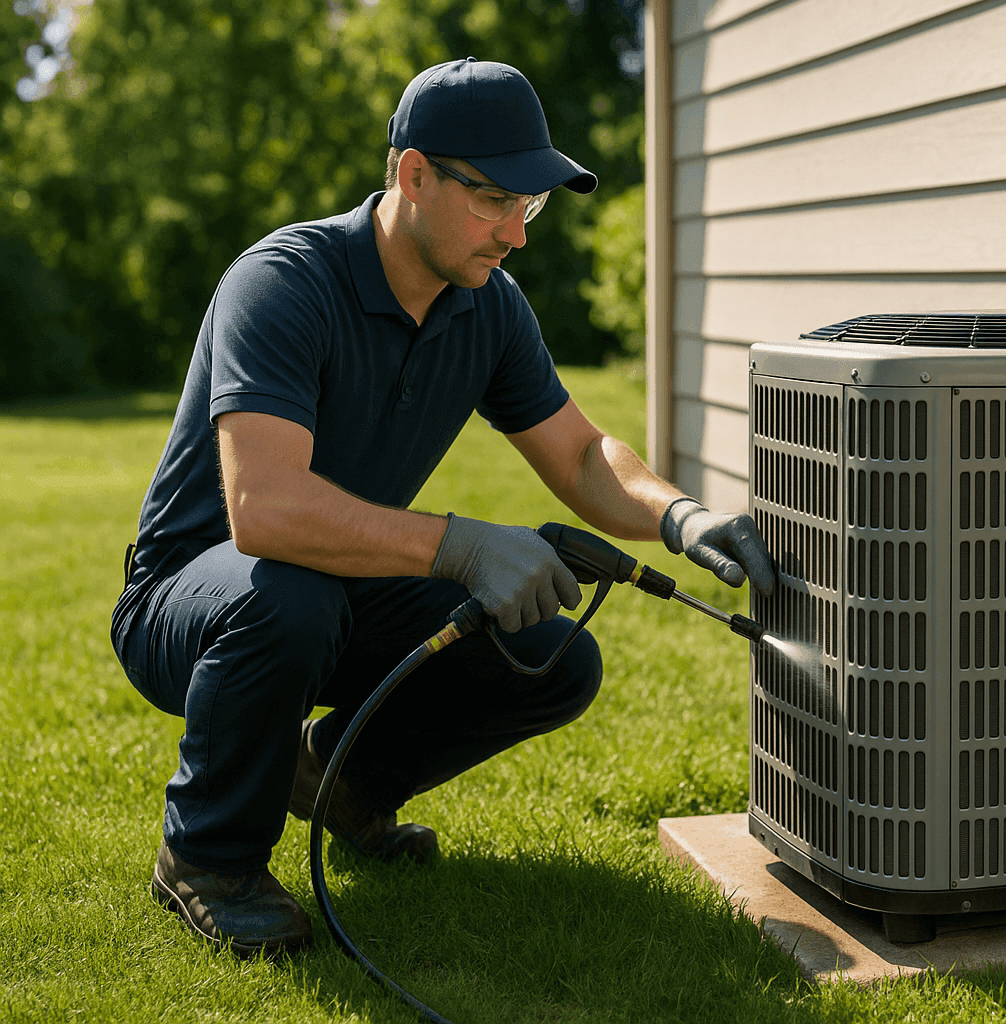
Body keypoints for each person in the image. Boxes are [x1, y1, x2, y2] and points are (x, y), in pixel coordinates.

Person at [109, 58, 774, 958]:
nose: (516, 234)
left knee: (549, 654)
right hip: (194, 601)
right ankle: (207, 859)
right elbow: (263, 510)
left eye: (530, 205)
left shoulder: (487, 306)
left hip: (334, 588)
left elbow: (579, 453)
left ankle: (341, 784)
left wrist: (683, 518)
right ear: (414, 174)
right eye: (494, 199)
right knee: (292, 598)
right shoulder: (284, 282)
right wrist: (461, 546)